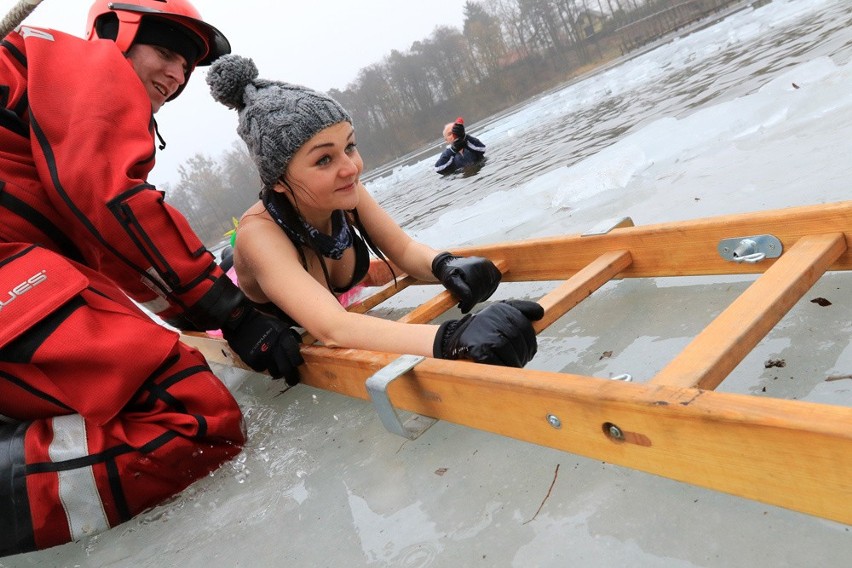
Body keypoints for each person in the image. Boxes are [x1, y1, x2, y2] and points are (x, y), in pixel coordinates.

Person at [0, 0, 303, 556]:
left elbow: (119, 262)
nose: (176, 74)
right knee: (193, 415)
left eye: (187, 68)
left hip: (16, 279)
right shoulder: (83, 63)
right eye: (164, 52)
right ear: (115, 34)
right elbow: (115, 201)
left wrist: (214, 317)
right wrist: (233, 314)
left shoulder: (41, 106)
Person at [207, 55, 542, 367]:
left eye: (349, 146)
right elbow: (333, 328)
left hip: (329, 297)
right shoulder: (259, 235)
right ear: (278, 180)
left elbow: (405, 250)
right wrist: (452, 338)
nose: (350, 168)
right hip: (268, 309)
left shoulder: (346, 191)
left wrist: (444, 264)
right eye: (324, 159)